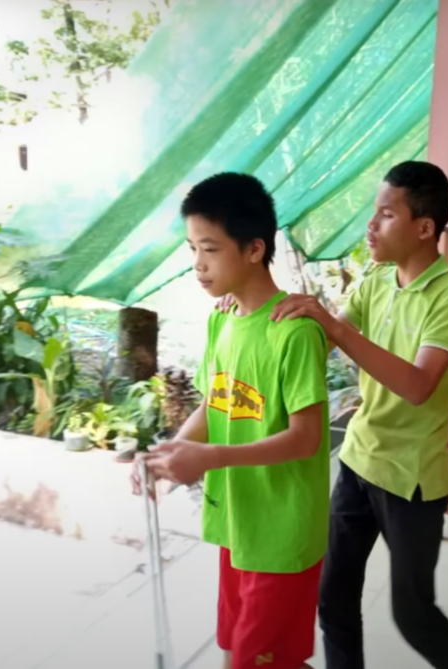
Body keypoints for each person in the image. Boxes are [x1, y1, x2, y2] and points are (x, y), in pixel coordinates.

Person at [269, 161, 448, 668]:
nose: (371, 226)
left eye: (386, 214)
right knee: (334, 599)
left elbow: (417, 385)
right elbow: (321, 339)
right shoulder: (377, 280)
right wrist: (263, 311)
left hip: (410, 479)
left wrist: (336, 329)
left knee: (414, 615)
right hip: (359, 460)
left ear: (424, 227)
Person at [132, 173, 331, 669]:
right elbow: (215, 403)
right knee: (241, 651)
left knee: (252, 660)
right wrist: (169, 453)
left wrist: (212, 456)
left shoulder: (295, 333)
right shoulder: (222, 319)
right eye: (192, 250)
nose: (198, 266)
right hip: (240, 521)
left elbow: (308, 439)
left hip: (282, 531)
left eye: (210, 249)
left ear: (253, 249)